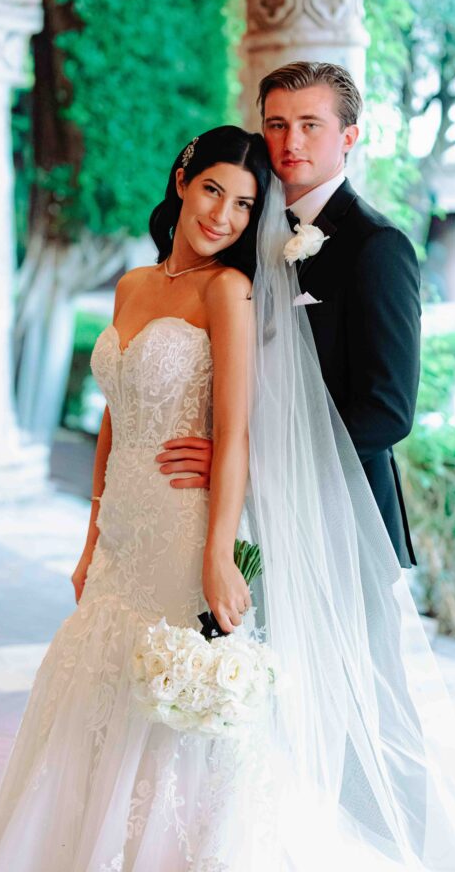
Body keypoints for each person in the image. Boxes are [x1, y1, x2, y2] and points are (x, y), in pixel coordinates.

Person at [0, 124, 455, 871]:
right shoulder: (132, 284)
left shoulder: (229, 290)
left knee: (178, 715)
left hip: (186, 527)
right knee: (99, 697)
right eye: (213, 189)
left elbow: (239, 433)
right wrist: (91, 537)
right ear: (183, 178)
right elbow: (115, 417)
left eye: (245, 205)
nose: (222, 214)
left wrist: (220, 554)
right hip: (122, 535)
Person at [158, 61, 420, 568]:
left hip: (341, 521)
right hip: (245, 517)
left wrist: (252, 464)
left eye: (309, 125)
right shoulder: (244, 227)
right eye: (276, 125)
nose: (289, 141)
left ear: (349, 137)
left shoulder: (377, 246)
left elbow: (387, 410)